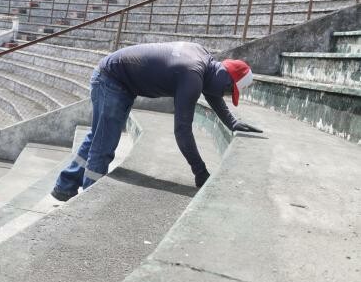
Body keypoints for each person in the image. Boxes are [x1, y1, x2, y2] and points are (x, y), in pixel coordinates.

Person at [51, 42, 262, 201]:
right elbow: (182, 130)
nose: (223, 96)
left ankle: (65, 185)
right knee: (104, 145)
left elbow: (213, 92)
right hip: (112, 79)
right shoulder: (192, 75)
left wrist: (232, 122)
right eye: (228, 92)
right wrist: (200, 172)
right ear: (225, 79)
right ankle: (89, 201)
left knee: (99, 135)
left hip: (117, 78)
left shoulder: (204, 59)